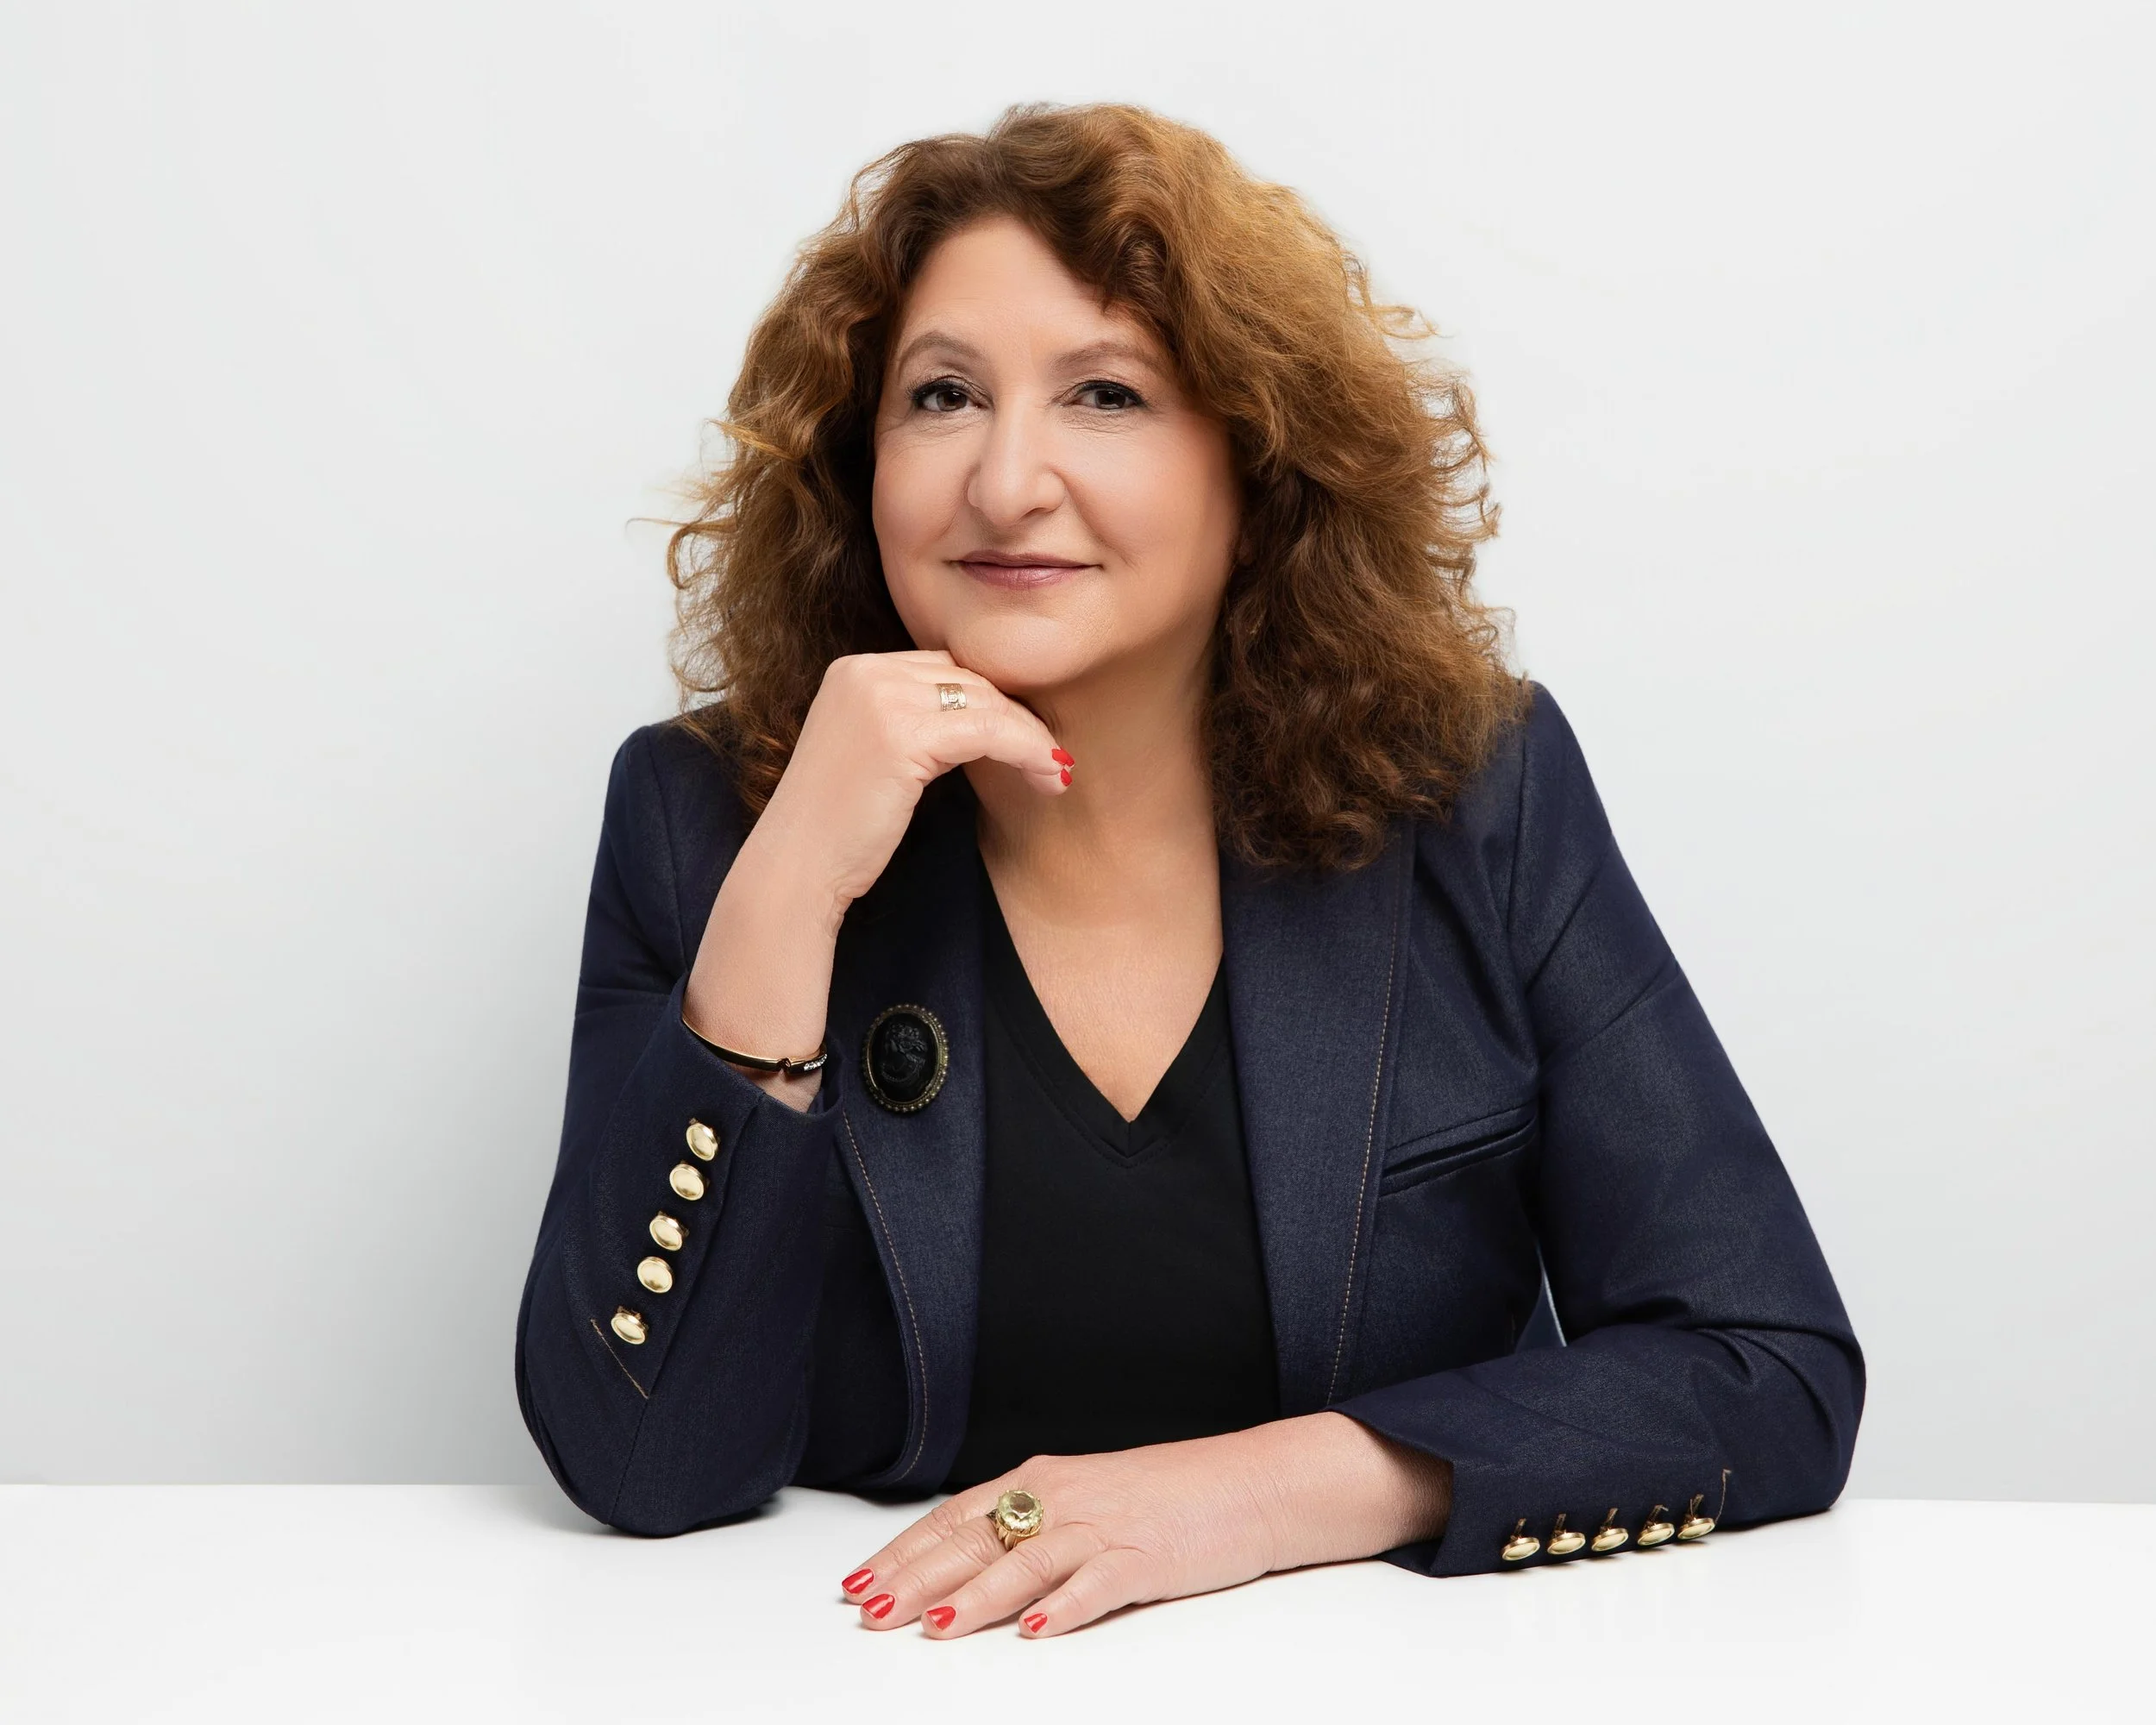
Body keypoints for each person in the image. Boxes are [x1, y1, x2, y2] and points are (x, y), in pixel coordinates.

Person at [512, 100, 1863, 1640]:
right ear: (859, 459)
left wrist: (1265, 1492)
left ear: (1257, 457)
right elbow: (640, 1459)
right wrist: (787, 888)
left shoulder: (1478, 796)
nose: (1007, 483)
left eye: (1105, 394)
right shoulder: (704, 816)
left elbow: (1764, 1360)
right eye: (942, 396)